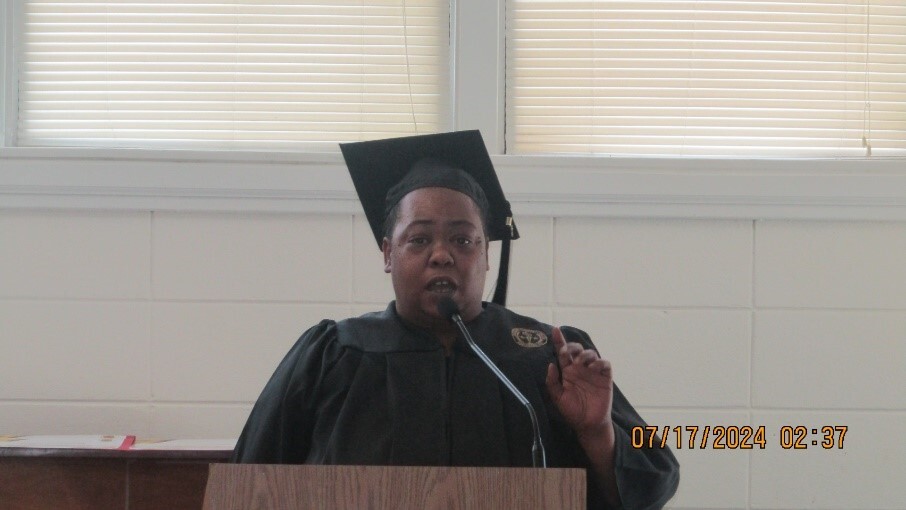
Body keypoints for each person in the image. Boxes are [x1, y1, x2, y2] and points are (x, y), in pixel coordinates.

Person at [231, 131, 679, 509]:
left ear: (486, 253)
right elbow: (247, 484)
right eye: (419, 238)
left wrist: (597, 433)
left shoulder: (551, 356)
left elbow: (655, 482)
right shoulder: (332, 356)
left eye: (463, 240)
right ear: (389, 253)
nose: (441, 254)